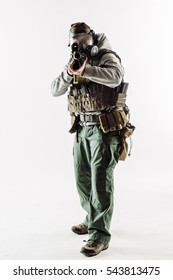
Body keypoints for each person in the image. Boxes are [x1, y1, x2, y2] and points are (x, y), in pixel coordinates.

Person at [51, 22, 131, 257]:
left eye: (83, 42)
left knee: (100, 182)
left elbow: (116, 77)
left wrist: (86, 70)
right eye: (74, 44)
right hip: (81, 129)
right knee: (83, 179)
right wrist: (70, 72)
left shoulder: (107, 57)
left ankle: (99, 235)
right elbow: (54, 89)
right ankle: (92, 217)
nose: (79, 48)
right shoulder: (74, 63)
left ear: (92, 39)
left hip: (104, 129)